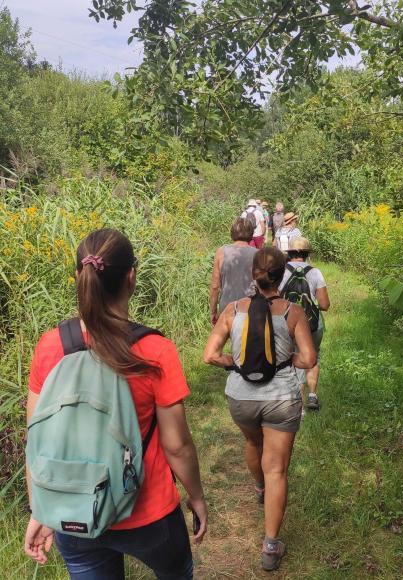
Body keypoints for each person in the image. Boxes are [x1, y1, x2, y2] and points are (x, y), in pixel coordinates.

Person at [24, 228, 208, 579]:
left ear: (79, 276)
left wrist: (40, 508)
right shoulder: (155, 351)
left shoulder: (50, 346)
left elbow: (37, 439)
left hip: (72, 510)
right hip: (148, 512)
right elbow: (178, 445)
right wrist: (196, 496)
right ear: (131, 277)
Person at [203, 247, 316, 572]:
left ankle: (259, 488)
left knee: (253, 443)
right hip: (280, 397)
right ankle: (270, 546)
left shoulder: (232, 310)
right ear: (281, 275)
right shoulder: (292, 312)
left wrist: (234, 363)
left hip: (241, 397)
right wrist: (288, 360)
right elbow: (308, 359)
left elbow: (210, 355)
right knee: (277, 468)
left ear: (254, 273)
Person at [279, 237, 330, 414]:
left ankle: (299, 407)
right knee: (312, 357)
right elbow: (324, 304)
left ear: (290, 253)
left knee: (293, 358)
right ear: (307, 253)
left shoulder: (281, 272)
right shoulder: (315, 273)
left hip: (287, 324)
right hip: (312, 325)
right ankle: (313, 395)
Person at [210, 217, 257, 325]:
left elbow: (215, 286)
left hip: (227, 306)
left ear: (232, 232)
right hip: (250, 306)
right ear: (251, 233)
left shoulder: (221, 252)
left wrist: (213, 311)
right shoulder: (257, 254)